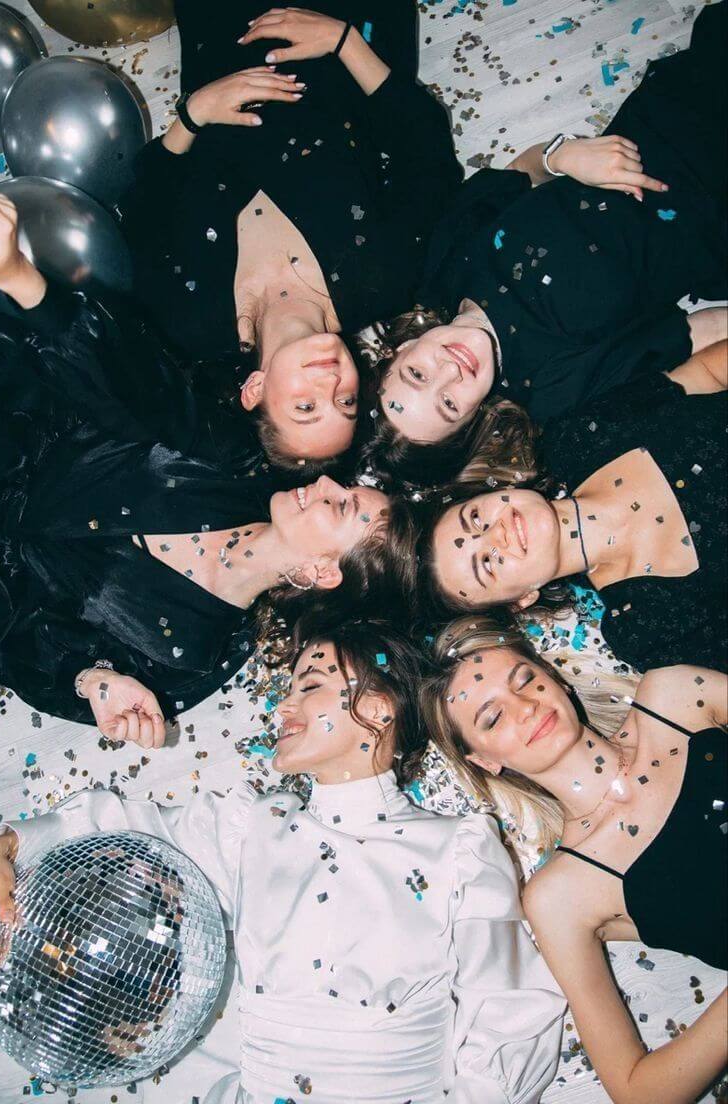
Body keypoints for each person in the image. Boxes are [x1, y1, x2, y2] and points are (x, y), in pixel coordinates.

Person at [0, 620, 566, 1103]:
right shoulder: (254, 826)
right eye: (290, 689)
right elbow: (126, 829)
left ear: (377, 707)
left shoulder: (459, 849)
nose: (284, 707)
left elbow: (510, 1011)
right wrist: (9, 843)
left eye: (309, 686)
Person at [0, 194, 414, 742]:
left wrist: (91, 679)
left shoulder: (194, 655)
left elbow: (17, 651)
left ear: (321, 572)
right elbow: (134, 383)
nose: (327, 483)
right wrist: (21, 278)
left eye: (343, 506)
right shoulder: (237, 463)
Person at [361, 1, 727, 489]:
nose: (449, 370)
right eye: (448, 404)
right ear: (471, 424)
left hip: (666, 117)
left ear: (402, 349)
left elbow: (521, 172)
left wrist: (564, 155)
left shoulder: (439, 270)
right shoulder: (556, 391)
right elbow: (697, 332)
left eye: (417, 375)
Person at [119, 2, 464, 469]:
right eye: (346, 402)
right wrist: (344, 40)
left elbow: (142, 210)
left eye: (306, 406)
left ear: (255, 390)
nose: (331, 385)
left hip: (221, 36)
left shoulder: (189, 322)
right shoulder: (383, 282)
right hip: (343, 24)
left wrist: (193, 114)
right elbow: (426, 153)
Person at [421, 616, 727, 1104]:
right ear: (483, 760)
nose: (525, 707)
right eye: (492, 718)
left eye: (525, 680)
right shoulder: (561, 896)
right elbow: (637, 1090)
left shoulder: (674, 695)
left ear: (555, 679)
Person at [421, 339, 727, 674]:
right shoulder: (643, 627)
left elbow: (707, 372)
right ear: (521, 600)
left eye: (476, 518)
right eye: (487, 563)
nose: (498, 533)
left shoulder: (577, 438)